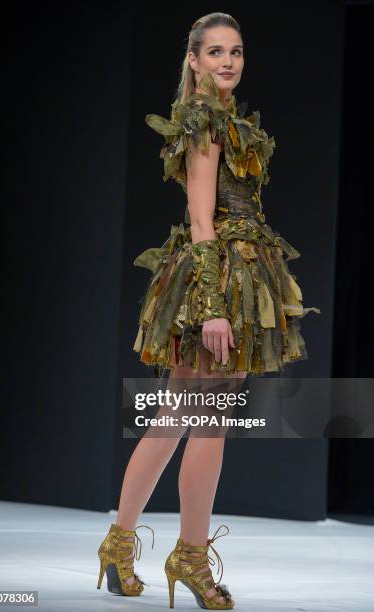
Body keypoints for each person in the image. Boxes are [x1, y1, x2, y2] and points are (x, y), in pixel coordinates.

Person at [96, 12, 320, 610]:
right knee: (208, 420)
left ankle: (120, 545)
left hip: (231, 270)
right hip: (215, 278)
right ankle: (190, 558)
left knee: (173, 416)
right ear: (193, 60)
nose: (228, 62)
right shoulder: (204, 123)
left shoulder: (224, 120)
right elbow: (200, 220)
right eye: (215, 52)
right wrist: (214, 309)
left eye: (237, 52)